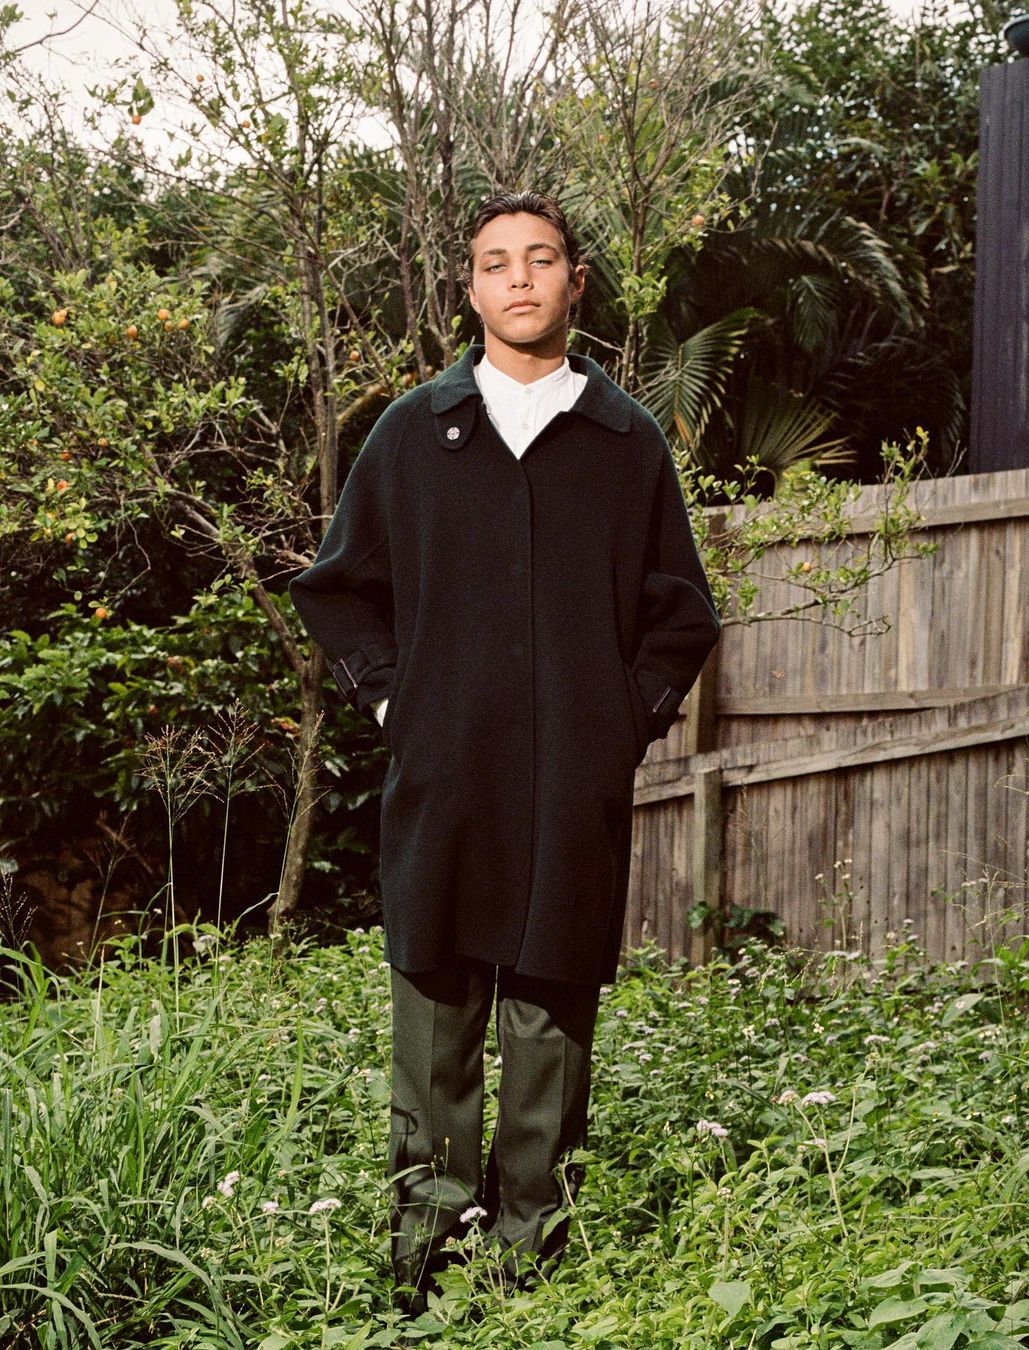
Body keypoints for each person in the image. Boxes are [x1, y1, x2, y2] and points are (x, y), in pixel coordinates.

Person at [289, 190, 721, 1309]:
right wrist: (395, 706)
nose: (519, 278)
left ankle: (532, 1270)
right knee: (436, 1024)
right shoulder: (413, 432)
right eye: (496, 262)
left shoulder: (625, 442)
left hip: (573, 789)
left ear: (576, 280)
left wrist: (618, 723)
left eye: (540, 258)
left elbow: (682, 616)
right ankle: (426, 1272)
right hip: (443, 782)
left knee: (549, 1027)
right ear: (470, 290)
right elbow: (336, 592)